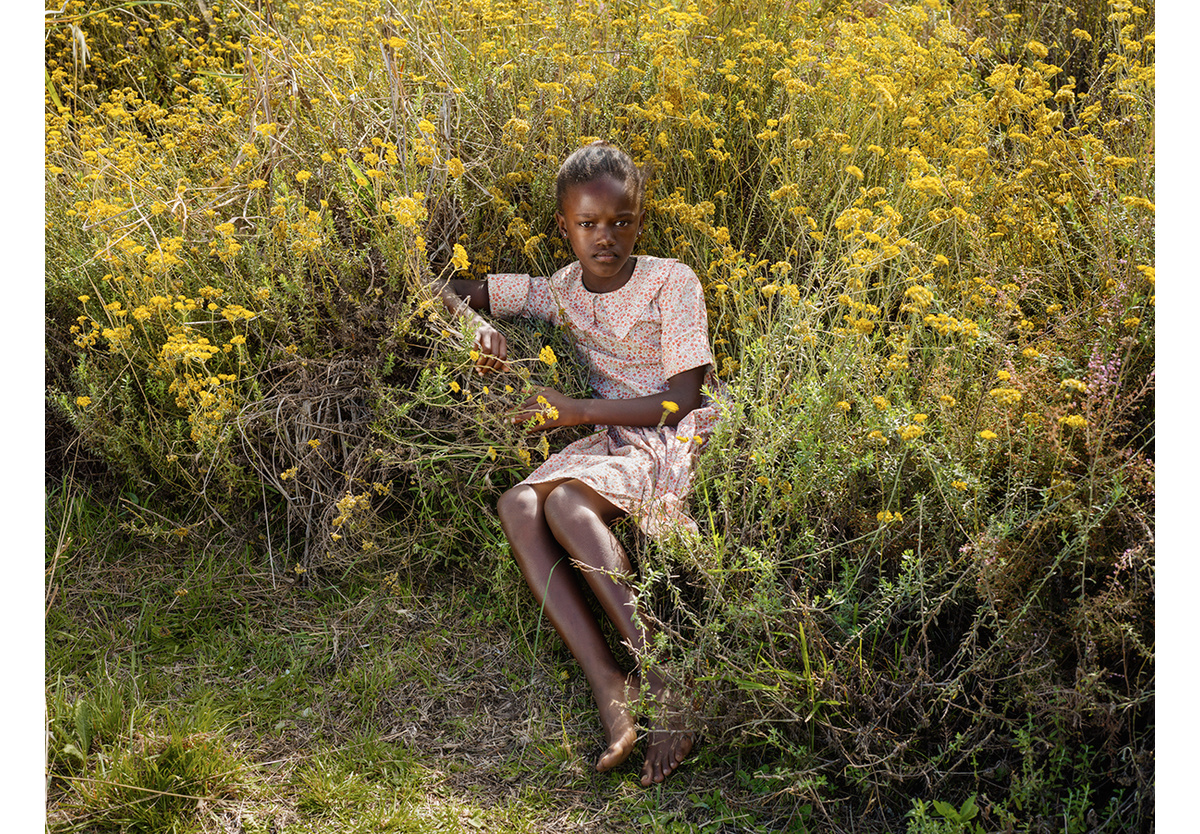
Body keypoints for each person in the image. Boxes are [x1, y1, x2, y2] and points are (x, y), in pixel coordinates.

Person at [432, 140, 719, 786]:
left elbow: (683, 399)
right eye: (587, 224)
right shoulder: (559, 291)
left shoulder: (672, 282)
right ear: (564, 227)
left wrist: (576, 413)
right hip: (612, 438)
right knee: (516, 503)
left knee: (562, 501)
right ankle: (609, 683)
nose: (605, 238)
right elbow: (448, 288)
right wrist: (471, 327)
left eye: (620, 222)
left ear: (639, 221)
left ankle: (668, 674)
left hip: (673, 435)